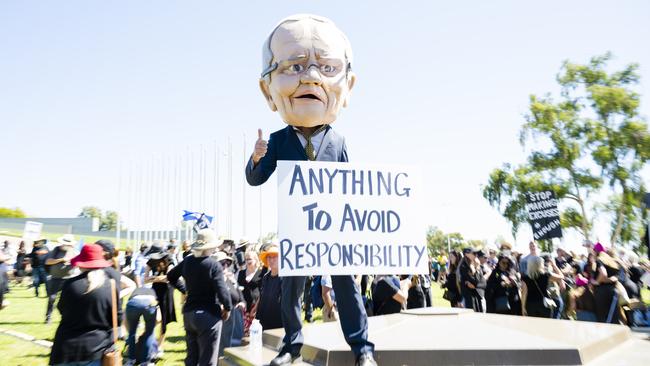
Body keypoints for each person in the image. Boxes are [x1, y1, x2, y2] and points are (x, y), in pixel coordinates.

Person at [245, 14, 375, 366]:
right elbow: (256, 179)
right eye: (294, 66)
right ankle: (292, 345)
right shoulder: (276, 141)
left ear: (347, 86)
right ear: (267, 89)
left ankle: (362, 348)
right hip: (297, 226)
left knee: (347, 288)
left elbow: (352, 186)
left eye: (327, 68)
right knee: (292, 291)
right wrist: (257, 159)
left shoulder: (339, 141)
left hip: (337, 228)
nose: (311, 77)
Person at [167, 229, 231, 366]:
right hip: (208, 316)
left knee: (191, 358)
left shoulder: (188, 261)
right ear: (212, 246)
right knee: (207, 360)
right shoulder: (213, 265)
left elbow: (171, 276)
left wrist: (185, 290)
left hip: (189, 314)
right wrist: (228, 308)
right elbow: (222, 290)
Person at [49, 244, 121, 366]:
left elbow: (62, 309)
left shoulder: (69, 284)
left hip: (66, 347)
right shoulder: (111, 286)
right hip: (96, 348)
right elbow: (117, 318)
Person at [144, 244, 176, 357]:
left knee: (164, 320)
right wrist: (159, 279)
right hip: (155, 292)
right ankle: (149, 343)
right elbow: (145, 279)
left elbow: (169, 277)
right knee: (153, 318)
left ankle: (159, 346)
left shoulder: (169, 259)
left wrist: (154, 278)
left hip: (167, 292)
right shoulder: (151, 261)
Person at [215, 251, 245, 357]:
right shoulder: (214, 280)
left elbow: (239, 295)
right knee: (222, 347)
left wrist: (242, 302)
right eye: (221, 263)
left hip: (235, 318)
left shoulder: (229, 279)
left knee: (235, 346)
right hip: (222, 318)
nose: (225, 266)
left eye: (227, 263)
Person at [44, 234, 80, 324]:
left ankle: (66, 317)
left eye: (68, 244)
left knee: (67, 300)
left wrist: (73, 264)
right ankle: (48, 317)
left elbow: (78, 264)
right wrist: (61, 260)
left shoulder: (75, 251)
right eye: (65, 244)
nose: (66, 245)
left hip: (69, 278)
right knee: (52, 298)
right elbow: (48, 262)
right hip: (56, 278)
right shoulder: (56, 250)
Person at [124, 286, 159, 366]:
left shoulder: (135, 291)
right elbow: (158, 319)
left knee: (132, 332)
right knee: (150, 333)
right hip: (150, 303)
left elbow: (125, 320)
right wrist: (147, 332)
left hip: (133, 303)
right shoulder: (153, 292)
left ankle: (131, 360)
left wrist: (131, 333)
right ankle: (146, 361)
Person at [237, 249, 264, 335]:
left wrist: (257, 306)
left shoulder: (261, 273)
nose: (248, 261)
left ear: (256, 260)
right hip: (244, 307)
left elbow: (262, 291)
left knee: (255, 331)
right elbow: (238, 289)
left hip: (256, 306)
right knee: (244, 332)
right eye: (246, 259)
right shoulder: (241, 273)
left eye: (250, 259)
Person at [256, 244, 283, 330]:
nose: (271, 260)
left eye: (275, 257)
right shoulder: (265, 277)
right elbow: (263, 296)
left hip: (279, 324)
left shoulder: (285, 278)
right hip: (264, 322)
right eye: (269, 257)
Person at [459, 248, 485, 312]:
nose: (476, 255)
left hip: (477, 295)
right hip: (469, 296)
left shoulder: (477, 265)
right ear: (466, 254)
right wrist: (475, 269)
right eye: (474, 253)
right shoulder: (463, 266)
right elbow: (474, 281)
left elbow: (482, 282)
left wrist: (477, 268)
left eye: (476, 254)